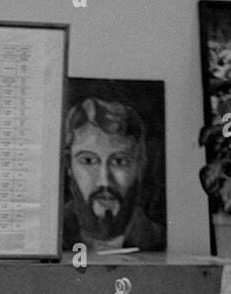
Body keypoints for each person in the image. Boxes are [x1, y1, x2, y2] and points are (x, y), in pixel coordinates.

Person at [63, 97, 165, 252]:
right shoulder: (50, 237)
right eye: (89, 160)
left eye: (119, 161)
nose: (104, 181)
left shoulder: (157, 240)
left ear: (140, 165)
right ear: (69, 165)